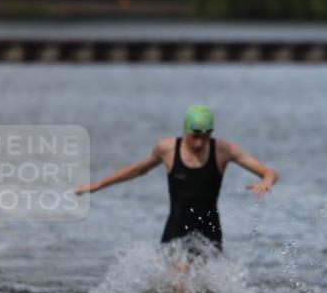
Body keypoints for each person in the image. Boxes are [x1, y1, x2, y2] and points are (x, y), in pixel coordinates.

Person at [75, 104, 279, 253]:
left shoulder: (225, 150)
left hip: (210, 229)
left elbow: (269, 172)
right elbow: (137, 170)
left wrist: (266, 182)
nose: (199, 143)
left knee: (206, 289)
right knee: (178, 283)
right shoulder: (167, 149)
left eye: (206, 136)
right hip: (176, 226)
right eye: (194, 136)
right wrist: (99, 184)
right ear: (185, 131)